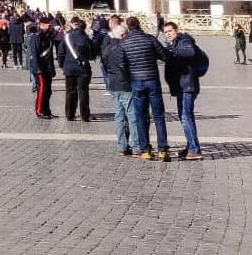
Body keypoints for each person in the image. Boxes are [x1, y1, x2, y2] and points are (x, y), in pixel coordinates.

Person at [122, 16, 170, 161]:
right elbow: (165, 56)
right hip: (152, 80)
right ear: (139, 25)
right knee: (159, 116)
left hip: (136, 82)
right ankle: (162, 149)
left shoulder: (124, 43)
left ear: (128, 27)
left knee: (141, 117)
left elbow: (121, 64)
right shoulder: (150, 39)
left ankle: (145, 150)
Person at [163, 21, 203, 160]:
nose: (168, 34)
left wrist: (171, 50)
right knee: (183, 117)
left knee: (186, 117)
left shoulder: (184, 40)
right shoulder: (173, 44)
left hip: (188, 86)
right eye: (166, 32)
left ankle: (194, 149)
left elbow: (190, 52)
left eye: (170, 31)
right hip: (181, 86)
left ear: (176, 30)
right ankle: (190, 145)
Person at [101, 23, 141, 156]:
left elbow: (105, 66)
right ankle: (136, 146)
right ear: (123, 35)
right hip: (125, 85)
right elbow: (129, 66)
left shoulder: (106, 49)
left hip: (113, 85)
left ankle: (122, 146)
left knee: (119, 116)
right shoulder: (125, 48)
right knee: (132, 116)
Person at [58, 17, 96, 122]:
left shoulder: (66, 38)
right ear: (84, 29)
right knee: (83, 92)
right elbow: (92, 55)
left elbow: (60, 53)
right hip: (83, 69)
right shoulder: (87, 39)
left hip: (69, 68)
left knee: (70, 91)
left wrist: (62, 66)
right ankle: (85, 115)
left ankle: (70, 115)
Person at [31, 16, 57, 119]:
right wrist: (38, 68)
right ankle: (40, 110)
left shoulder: (48, 35)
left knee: (48, 90)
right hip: (40, 67)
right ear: (42, 25)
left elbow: (50, 53)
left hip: (48, 66)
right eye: (48, 24)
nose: (50, 26)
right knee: (42, 89)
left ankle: (47, 110)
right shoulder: (37, 36)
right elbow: (35, 53)